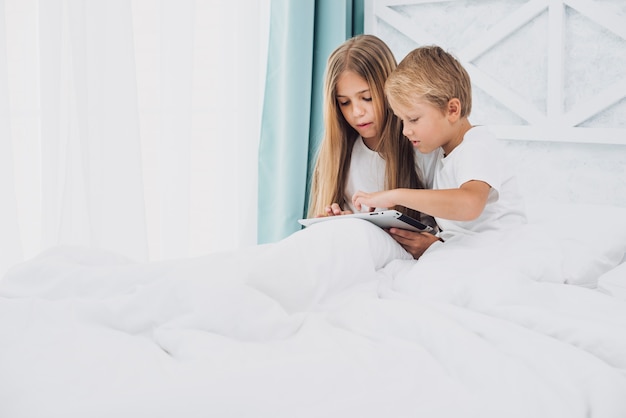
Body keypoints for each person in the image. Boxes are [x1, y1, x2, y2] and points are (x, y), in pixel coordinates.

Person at [352, 45, 526, 242]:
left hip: (501, 249)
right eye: (402, 120)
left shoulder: (476, 146)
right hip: (474, 251)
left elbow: (470, 205)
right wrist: (436, 243)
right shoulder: (445, 156)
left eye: (414, 119)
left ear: (452, 110)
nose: (405, 131)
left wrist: (396, 196)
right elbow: (462, 229)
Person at [307, 34, 440, 259]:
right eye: (345, 102)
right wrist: (336, 225)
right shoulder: (339, 154)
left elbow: (452, 230)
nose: (357, 112)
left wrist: (434, 245)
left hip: (412, 264)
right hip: (358, 260)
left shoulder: (423, 148)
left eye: (366, 98)